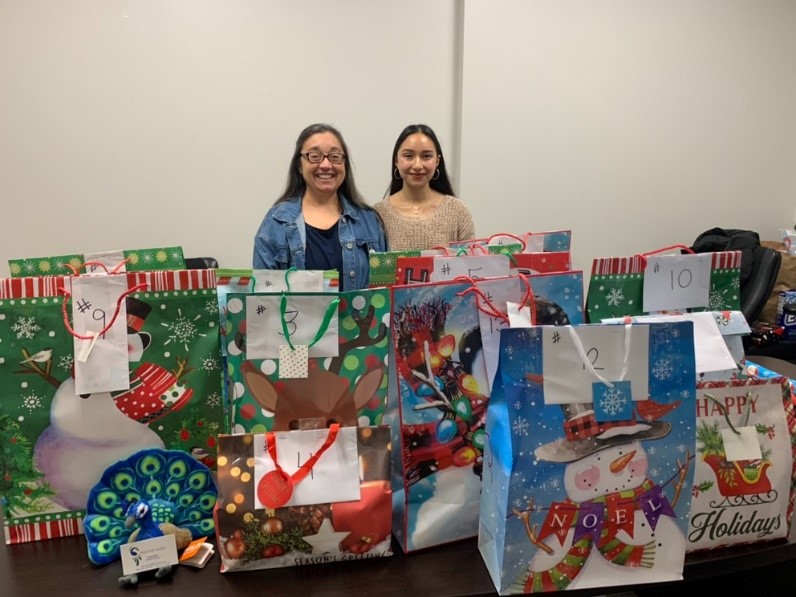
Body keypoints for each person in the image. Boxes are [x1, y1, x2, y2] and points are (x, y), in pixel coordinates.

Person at [252, 123, 388, 291]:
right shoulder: (275, 223)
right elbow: (264, 299)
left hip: (360, 318)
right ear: (299, 166)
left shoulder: (369, 221)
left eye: (335, 156)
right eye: (314, 156)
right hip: (293, 318)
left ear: (344, 164)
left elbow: (385, 292)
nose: (325, 165)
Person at [374, 124, 475, 251]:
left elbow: (470, 264)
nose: (417, 165)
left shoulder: (458, 212)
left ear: (437, 161)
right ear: (396, 161)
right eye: (408, 156)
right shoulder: (377, 215)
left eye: (426, 156)